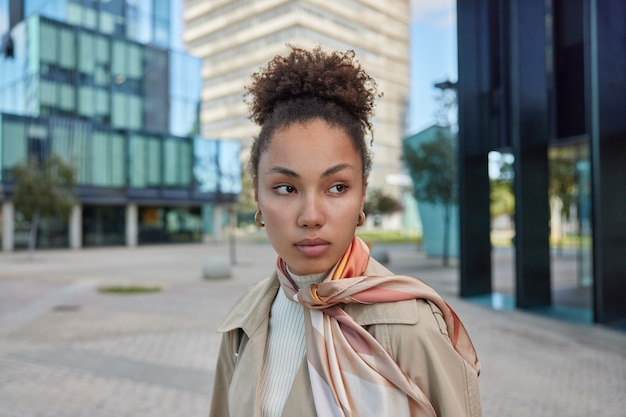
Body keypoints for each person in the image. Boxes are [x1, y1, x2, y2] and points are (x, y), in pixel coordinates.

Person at [209, 46, 481, 417]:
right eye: (286, 188)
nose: (311, 216)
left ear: (362, 196)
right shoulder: (245, 321)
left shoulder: (409, 326)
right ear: (257, 197)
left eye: (336, 187)